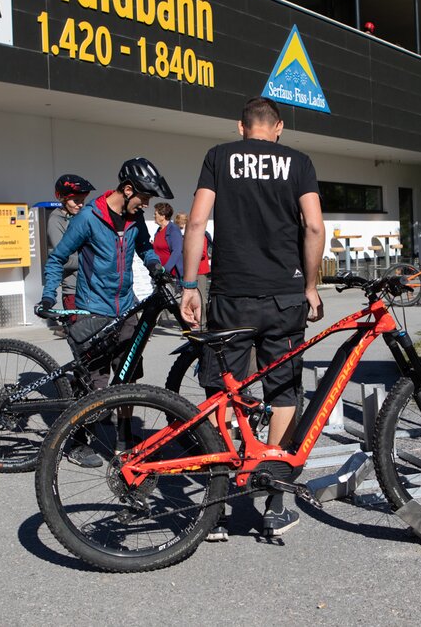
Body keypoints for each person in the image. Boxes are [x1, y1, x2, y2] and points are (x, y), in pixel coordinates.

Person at [180, 96, 325, 540]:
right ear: (277, 128)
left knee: (221, 393)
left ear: (241, 127)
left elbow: (197, 221)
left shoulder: (218, 157)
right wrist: (311, 286)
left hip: (231, 295)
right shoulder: (298, 161)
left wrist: (189, 285)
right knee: (283, 390)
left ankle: (218, 505)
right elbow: (315, 226)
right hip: (284, 296)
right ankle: (275, 500)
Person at [38, 157, 173, 467]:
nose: (146, 205)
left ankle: (124, 439)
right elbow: (57, 258)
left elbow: (145, 247)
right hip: (93, 311)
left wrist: (155, 266)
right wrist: (48, 296)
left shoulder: (134, 218)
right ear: (127, 190)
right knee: (93, 383)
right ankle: (78, 440)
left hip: (126, 310)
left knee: (128, 378)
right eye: (144, 197)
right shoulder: (88, 218)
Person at [46, 174, 96, 329]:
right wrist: (92, 261)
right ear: (62, 199)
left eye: (82, 200)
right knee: (80, 335)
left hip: (92, 287)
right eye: (76, 201)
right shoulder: (56, 220)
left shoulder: (82, 217)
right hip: (74, 289)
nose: (80, 205)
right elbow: (62, 259)